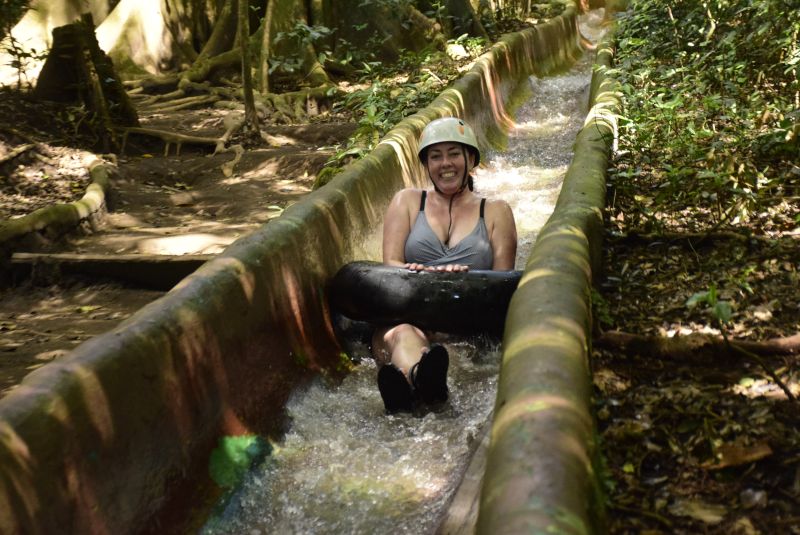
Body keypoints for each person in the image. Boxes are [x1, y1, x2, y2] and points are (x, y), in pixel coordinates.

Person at [372, 117, 518, 413]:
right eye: (435, 156)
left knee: (428, 343)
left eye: (453, 153)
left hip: (464, 323)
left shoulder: (495, 212)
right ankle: (418, 381)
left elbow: (501, 285)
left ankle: (418, 384)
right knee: (403, 334)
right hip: (409, 317)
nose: (445, 163)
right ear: (426, 164)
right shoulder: (408, 202)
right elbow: (391, 266)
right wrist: (427, 276)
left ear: (470, 158)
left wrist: (464, 281)